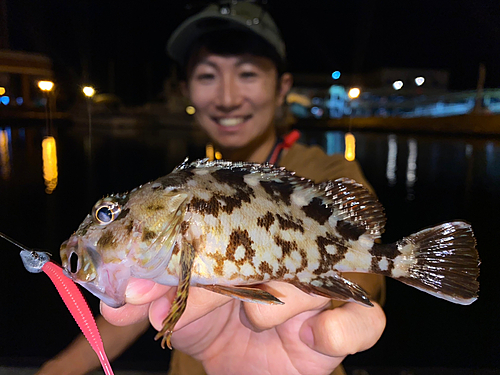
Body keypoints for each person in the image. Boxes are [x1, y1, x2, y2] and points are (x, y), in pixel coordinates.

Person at [37, 3, 385, 375]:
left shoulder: (325, 171)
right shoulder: (176, 189)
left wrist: (324, 312)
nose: (228, 97)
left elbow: (368, 274)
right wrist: (59, 368)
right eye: (207, 76)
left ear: (283, 87)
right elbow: (138, 301)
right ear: (187, 90)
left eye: (247, 73)